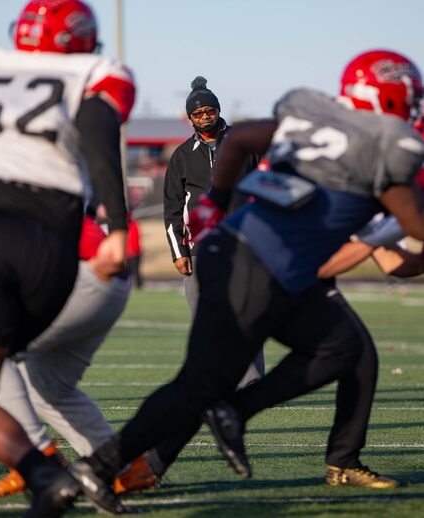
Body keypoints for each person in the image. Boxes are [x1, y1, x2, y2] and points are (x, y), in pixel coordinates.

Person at [67, 49, 424, 513]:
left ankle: (105, 466)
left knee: (320, 353)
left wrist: (213, 210)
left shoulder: (309, 117)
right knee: (328, 350)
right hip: (262, 266)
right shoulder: (387, 150)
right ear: (395, 99)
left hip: (243, 253)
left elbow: (243, 140)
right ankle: (224, 416)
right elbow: (412, 224)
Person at [0, 0, 135, 515]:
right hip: (50, 242)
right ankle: (49, 474)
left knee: (19, 370)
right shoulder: (96, 71)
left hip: (11, 225)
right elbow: (100, 131)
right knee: (35, 377)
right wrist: (120, 225)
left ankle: (44, 467)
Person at [0, 213, 156, 499]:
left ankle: (37, 461)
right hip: (103, 282)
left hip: (79, 274)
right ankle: (127, 468)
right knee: (49, 387)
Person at [164, 75, 264, 387]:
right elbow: (171, 207)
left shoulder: (243, 144)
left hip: (244, 244)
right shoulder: (181, 155)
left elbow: (265, 187)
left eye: (210, 110)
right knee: (205, 322)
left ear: (218, 110)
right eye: (198, 113)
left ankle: (252, 382)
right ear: (190, 117)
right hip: (199, 250)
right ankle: (213, 382)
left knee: (247, 314)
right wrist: (179, 253)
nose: (205, 117)